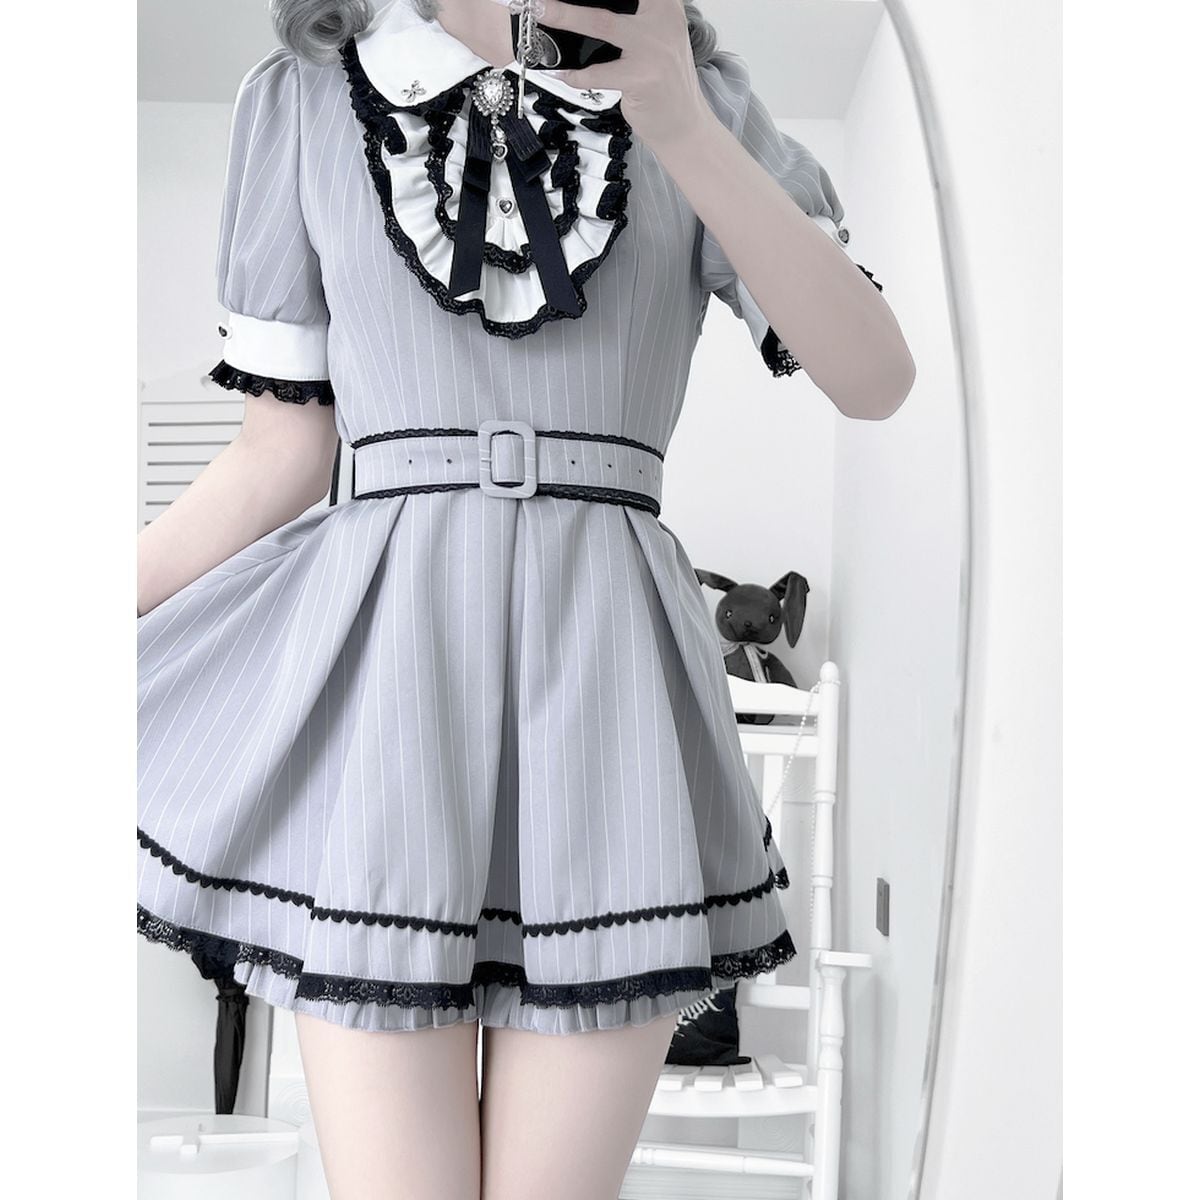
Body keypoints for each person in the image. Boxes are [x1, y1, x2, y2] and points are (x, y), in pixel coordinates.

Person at [136, 1, 914, 1196]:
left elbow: (873, 377)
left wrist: (679, 119)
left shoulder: (693, 93)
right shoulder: (300, 97)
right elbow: (276, 456)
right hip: (385, 687)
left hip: (609, 685)